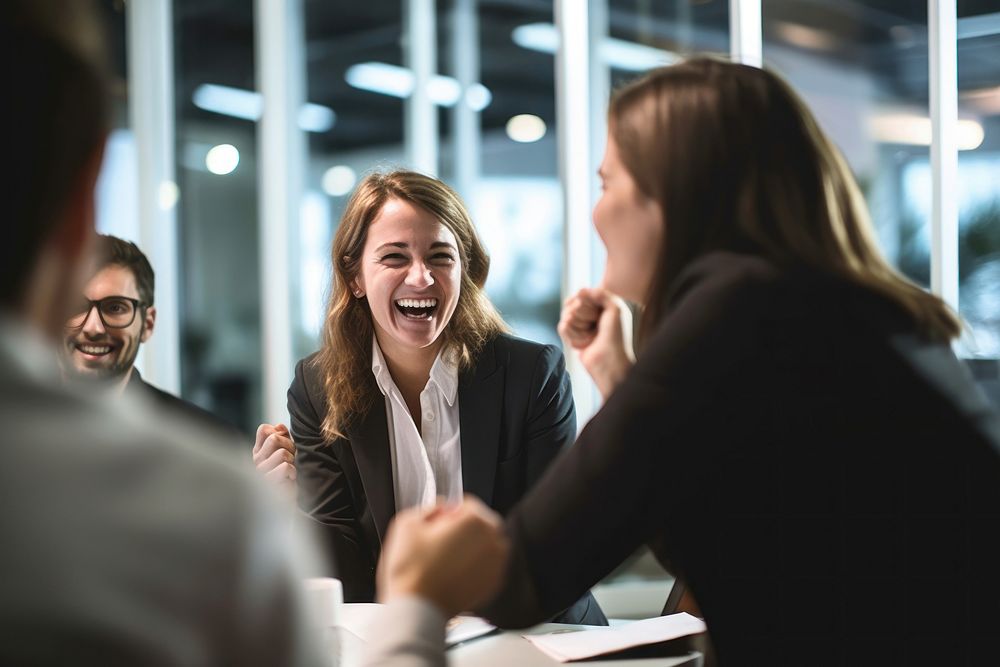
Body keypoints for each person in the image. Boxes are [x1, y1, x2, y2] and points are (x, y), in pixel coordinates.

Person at [1, 2, 494, 664]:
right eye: (393, 256)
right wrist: (417, 608)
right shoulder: (217, 479)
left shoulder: (204, 461)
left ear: (149, 321)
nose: (93, 324)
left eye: (438, 255)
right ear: (86, 188)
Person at [469, 58, 1000, 664]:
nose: (596, 212)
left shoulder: (736, 308)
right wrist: (620, 374)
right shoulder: (846, 308)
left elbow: (523, 576)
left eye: (607, 183)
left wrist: (427, 552)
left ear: (669, 193)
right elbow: (715, 529)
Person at [253, 169, 605, 625]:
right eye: (394, 257)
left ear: (467, 271)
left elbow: (556, 551)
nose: (421, 278)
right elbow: (347, 577)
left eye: (441, 256)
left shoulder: (532, 374)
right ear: (354, 275)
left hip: (538, 638)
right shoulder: (315, 388)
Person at [61, 233, 241, 438]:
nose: (94, 328)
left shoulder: (208, 440)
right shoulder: (16, 433)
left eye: (115, 308)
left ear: (148, 324)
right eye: (75, 305)